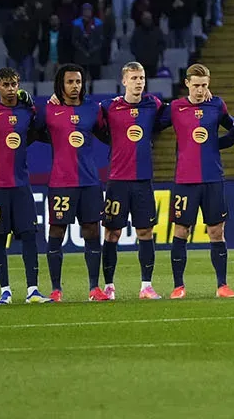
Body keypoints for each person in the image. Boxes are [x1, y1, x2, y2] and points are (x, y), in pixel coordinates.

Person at [164, 62, 234, 299]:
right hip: (185, 180)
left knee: (217, 231)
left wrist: (218, 144)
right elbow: (148, 124)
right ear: (186, 84)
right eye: (195, 85)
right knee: (181, 230)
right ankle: (178, 286)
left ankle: (222, 286)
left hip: (213, 178)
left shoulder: (217, 105)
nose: (200, 90)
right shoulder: (175, 108)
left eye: (204, 85)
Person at [95, 61, 168, 300]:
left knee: (145, 232)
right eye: (134, 78)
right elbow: (88, 121)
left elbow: (176, 111)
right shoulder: (108, 107)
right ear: (124, 80)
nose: (139, 82)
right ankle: (109, 286)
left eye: (142, 78)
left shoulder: (153, 104)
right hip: (117, 180)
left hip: (143, 180)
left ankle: (146, 286)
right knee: (112, 234)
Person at [37, 63, 105, 301]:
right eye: (70, 82)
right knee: (57, 230)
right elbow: (31, 132)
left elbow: (107, 132)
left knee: (92, 230)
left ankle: (94, 288)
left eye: (78, 81)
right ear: (61, 84)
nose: (75, 86)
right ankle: (56, 289)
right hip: (61, 182)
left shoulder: (92, 108)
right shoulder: (49, 111)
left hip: (89, 182)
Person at [0, 68, 46, 305]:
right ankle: (5, 291)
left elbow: (40, 132)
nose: (10, 89)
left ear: (19, 85)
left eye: (14, 84)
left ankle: (33, 290)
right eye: (5, 85)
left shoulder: (27, 111)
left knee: (29, 236)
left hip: (21, 185)